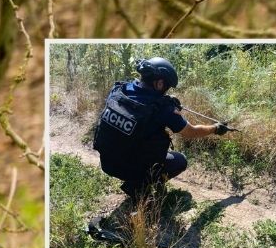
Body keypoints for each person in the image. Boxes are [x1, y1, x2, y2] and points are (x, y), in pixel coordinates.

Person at [93, 56, 228, 209]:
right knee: (180, 161)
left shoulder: (119, 90)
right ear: (159, 83)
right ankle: (139, 186)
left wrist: (166, 100)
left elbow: (140, 99)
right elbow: (191, 132)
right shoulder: (162, 109)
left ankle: (136, 182)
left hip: (108, 163)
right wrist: (216, 128)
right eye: (167, 87)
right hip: (130, 167)